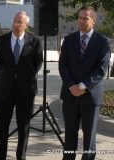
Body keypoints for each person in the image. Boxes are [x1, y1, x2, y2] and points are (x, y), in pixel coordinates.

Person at [59, 6, 110, 160]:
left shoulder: (103, 42)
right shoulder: (68, 40)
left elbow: (101, 69)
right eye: (79, 17)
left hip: (90, 97)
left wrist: (82, 86)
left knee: (89, 138)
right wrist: (71, 86)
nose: (81, 21)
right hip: (70, 96)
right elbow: (63, 65)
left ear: (94, 20)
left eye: (85, 18)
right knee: (70, 137)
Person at [0, 11, 43, 160]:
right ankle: (0, 156)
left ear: (26, 25)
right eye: (14, 21)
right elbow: (0, 62)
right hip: (5, 90)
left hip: (25, 90)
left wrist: (24, 76)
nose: (16, 24)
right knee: (2, 127)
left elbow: (37, 63)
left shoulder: (35, 41)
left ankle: (21, 156)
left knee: (24, 127)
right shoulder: (1, 40)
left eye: (19, 22)